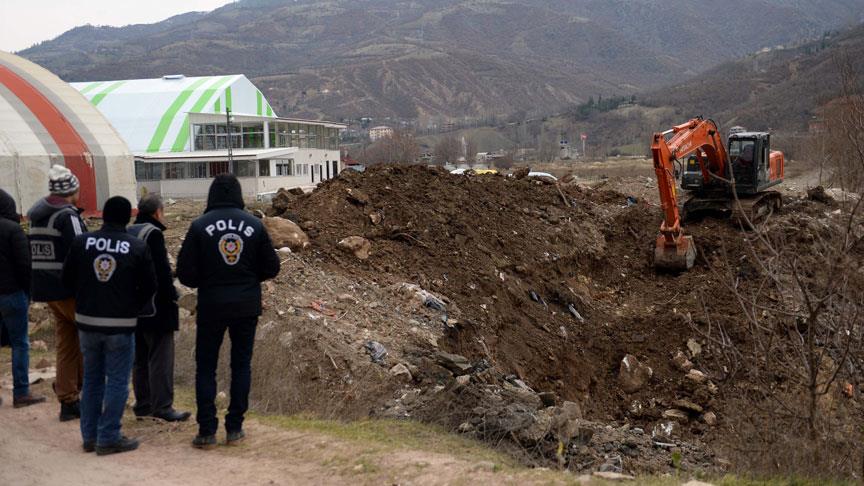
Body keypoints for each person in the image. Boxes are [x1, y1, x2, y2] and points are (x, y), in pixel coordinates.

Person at [177, 174, 280, 449]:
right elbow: (272, 267)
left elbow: (185, 273)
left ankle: (207, 431)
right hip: (246, 305)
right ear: (238, 194)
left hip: (211, 305)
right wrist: (247, 277)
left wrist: (209, 279)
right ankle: (235, 428)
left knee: (206, 367)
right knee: (241, 365)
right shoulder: (254, 225)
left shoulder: (199, 226)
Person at [62, 196, 157, 455]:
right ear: (127, 217)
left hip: (87, 322)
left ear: (104, 215)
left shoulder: (82, 242)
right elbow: (150, 285)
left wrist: (86, 297)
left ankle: (90, 436)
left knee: (92, 379)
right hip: (120, 324)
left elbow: (67, 278)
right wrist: (133, 306)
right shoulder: (136, 247)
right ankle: (109, 436)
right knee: (116, 380)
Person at [27, 165, 87, 421]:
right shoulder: (67, 216)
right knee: (90, 340)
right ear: (71, 190)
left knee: (66, 343)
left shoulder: (37, 215)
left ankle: (67, 397)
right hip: (69, 289)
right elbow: (82, 250)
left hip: (47, 289)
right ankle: (83, 393)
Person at [129, 194, 190, 422]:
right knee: (161, 357)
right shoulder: (153, 234)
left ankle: (143, 404)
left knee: (140, 359)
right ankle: (163, 406)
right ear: (157, 212)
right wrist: (172, 297)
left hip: (133, 307)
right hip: (156, 306)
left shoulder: (130, 231)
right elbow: (161, 272)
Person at [0, 189, 47, 408]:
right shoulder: (13, 230)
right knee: (20, 343)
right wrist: (28, 291)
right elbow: (24, 265)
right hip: (11, 294)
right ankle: (21, 392)